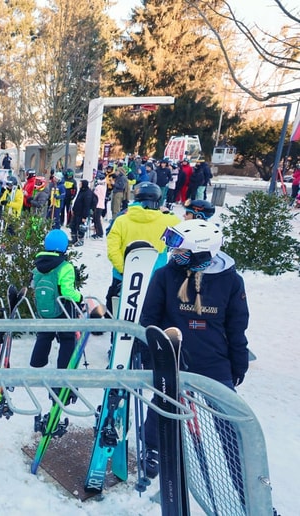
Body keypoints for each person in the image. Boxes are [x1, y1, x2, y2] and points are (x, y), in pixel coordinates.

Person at [139, 219, 249, 478]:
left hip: (214, 362)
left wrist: (239, 361)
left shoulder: (231, 281)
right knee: (162, 403)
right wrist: (148, 353)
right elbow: (149, 318)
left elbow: (237, 326)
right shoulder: (165, 275)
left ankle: (244, 479)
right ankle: (152, 447)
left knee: (228, 423)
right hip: (174, 358)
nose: (173, 254)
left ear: (200, 253)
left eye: (180, 251)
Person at [29, 229, 84, 429]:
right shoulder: (65, 266)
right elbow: (68, 291)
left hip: (45, 310)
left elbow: (34, 286)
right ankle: (64, 369)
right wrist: (80, 298)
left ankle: (37, 361)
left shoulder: (37, 265)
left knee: (45, 335)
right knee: (68, 339)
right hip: (63, 311)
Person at [105, 182, 180, 316]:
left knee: (116, 304)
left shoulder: (122, 221)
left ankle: (109, 324)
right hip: (153, 277)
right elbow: (180, 228)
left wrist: (125, 271)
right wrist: (167, 212)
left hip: (122, 276)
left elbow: (113, 250)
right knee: (148, 311)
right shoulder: (169, 222)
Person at [69, 179, 95, 247]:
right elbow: (77, 200)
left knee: (80, 227)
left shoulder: (88, 193)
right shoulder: (81, 191)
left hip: (81, 214)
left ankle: (81, 240)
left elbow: (87, 206)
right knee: (73, 225)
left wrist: (84, 216)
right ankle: (74, 239)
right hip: (76, 212)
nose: (79, 185)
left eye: (80, 184)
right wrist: (73, 209)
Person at [92, 173, 107, 239]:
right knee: (96, 219)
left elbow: (95, 194)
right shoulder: (104, 186)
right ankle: (98, 232)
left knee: (97, 219)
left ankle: (100, 233)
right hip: (101, 204)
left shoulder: (99, 187)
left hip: (98, 204)